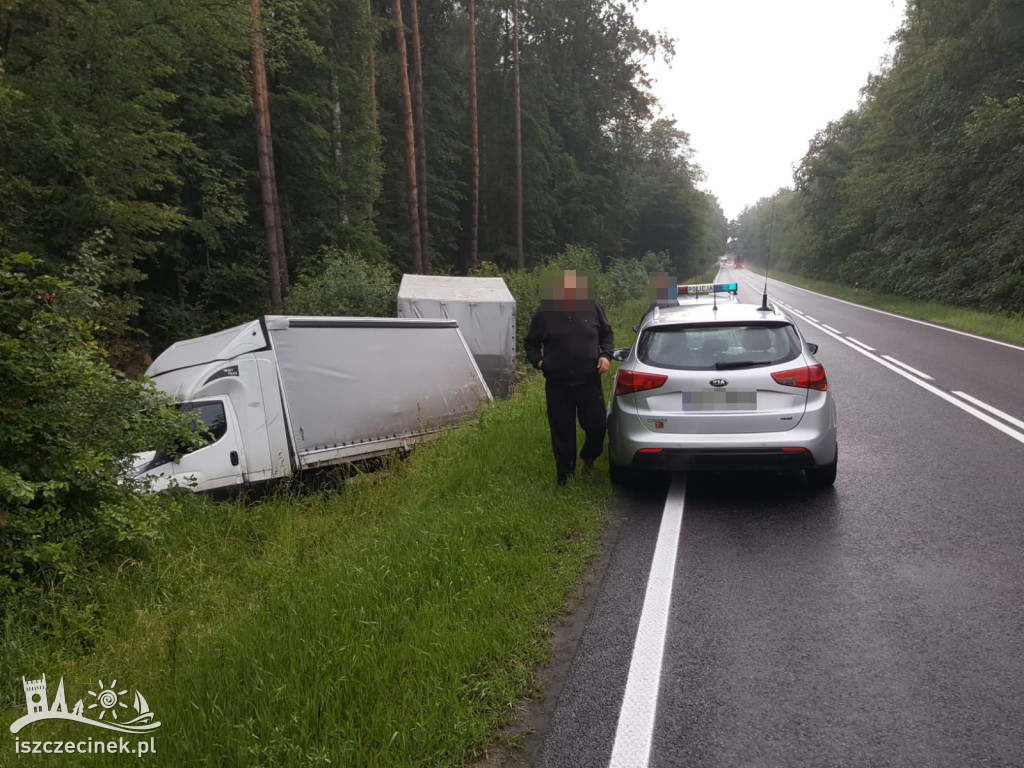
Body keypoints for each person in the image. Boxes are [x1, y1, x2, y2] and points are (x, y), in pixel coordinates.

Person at [525, 270, 614, 485]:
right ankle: (565, 478)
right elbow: (530, 343)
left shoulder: (592, 307)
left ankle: (589, 458)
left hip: (589, 381)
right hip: (558, 384)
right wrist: (539, 362)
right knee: (562, 432)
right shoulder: (545, 313)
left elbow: (607, 334)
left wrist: (606, 355)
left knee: (598, 426)